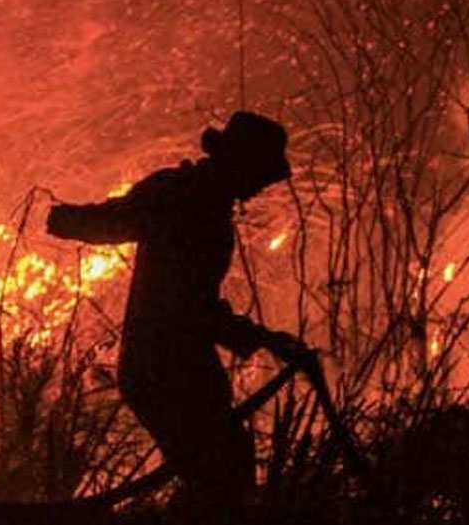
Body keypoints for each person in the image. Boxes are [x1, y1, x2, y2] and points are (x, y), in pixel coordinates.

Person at [46, 111, 307, 522]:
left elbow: (194, 302)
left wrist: (264, 339)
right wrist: (68, 219)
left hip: (180, 366)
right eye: (259, 174)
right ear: (239, 164)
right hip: (164, 368)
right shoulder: (184, 200)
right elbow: (186, 303)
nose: (260, 187)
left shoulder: (199, 201)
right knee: (220, 481)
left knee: (225, 475)